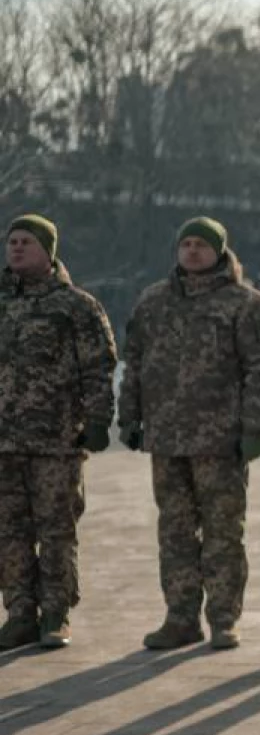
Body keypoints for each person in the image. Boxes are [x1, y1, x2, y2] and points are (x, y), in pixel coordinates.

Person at [120, 217, 260, 651]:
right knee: (174, 532)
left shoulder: (245, 304)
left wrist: (253, 429)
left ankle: (224, 619)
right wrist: (129, 419)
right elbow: (135, 365)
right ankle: (180, 616)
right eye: (185, 243)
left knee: (224, 533)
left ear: (219, 251)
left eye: (200, 245)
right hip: (167, 439)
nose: (191, 251)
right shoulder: (153, 302)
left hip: (220, 442)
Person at [0, 214, 116, 650]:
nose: (15, 248)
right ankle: (18, 613)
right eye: (11, 241)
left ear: (48, 250)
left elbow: (99, 368)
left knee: (56, 530)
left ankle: (55, 614)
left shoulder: (76, 306)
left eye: (26, 241)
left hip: (56, 441)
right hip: (4, 443)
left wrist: (99, 421)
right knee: (7, 531)